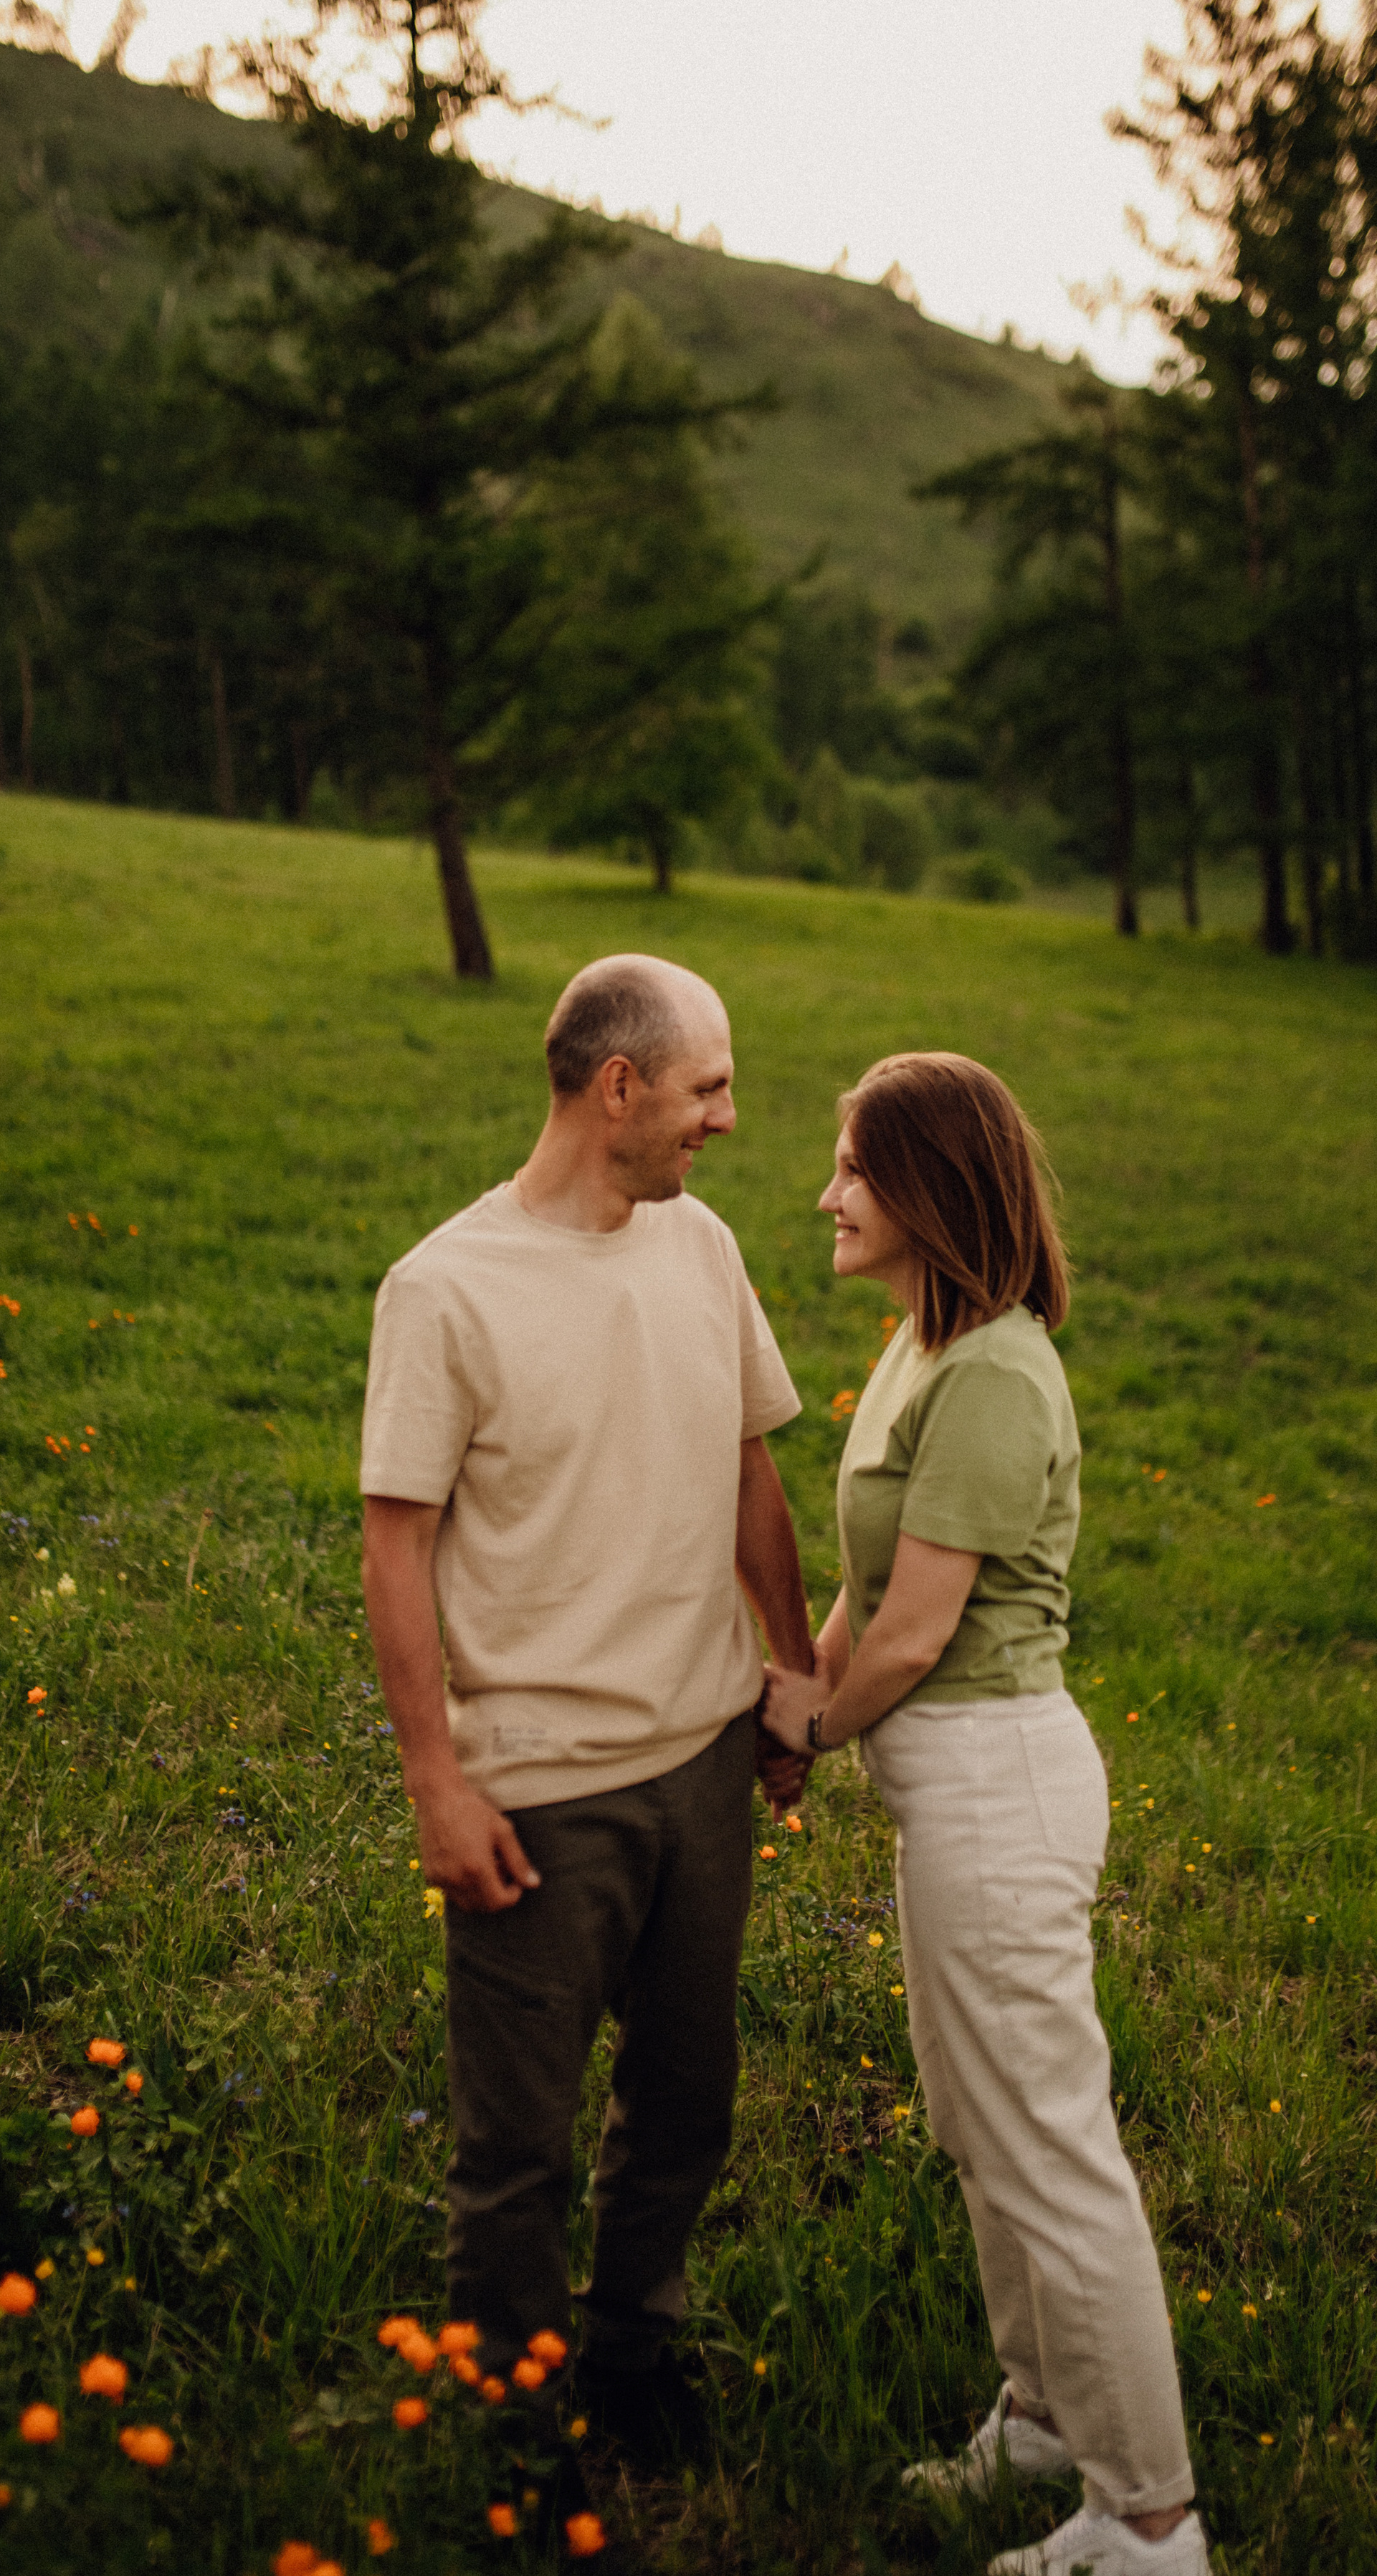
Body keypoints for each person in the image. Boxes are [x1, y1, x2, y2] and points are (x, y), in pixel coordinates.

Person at [361, 953, 814, 2465]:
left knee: (685, 2099)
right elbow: (396, 1545)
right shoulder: (443, 1290)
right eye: (707, 1089)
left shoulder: (700, 1250)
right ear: (615, 1088)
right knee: (516, 2151)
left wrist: (791, 1667)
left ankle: (632, 2357)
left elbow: (752, 1472)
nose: (727, 1121)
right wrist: (438, 1780)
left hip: (697, 1759)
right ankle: (512, 2438)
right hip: (539, 1788)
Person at [761, 1053, 1206, 2576]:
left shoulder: (1000, 1370)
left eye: (849, 1170)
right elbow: (858, 1595)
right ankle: (1037, 2421)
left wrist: (807, 1729)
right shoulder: (919, 1347)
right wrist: (787, 1708)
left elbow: (913, 1633)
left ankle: (1147, 2520)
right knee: (976, 2123)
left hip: (995, 1784)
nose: (824, 1195)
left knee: (1047, 2147)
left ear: (927, 1191)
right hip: (939, 1782)